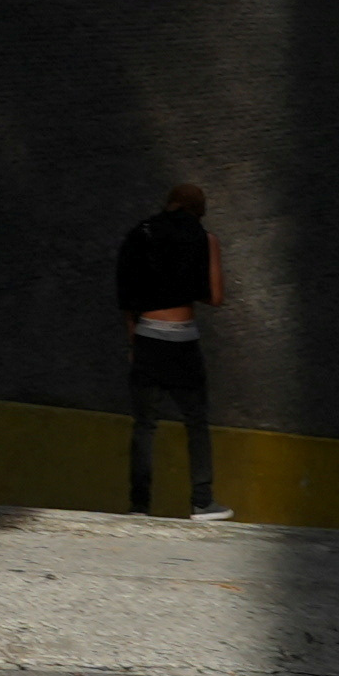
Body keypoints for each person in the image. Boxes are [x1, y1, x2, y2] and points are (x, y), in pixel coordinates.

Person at [114, 181, 226, 519]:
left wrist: (133, 340)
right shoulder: (205, 239)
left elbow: (126, 296)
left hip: (147, 336)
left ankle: (139, 505)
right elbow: (216, 297)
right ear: (198, 210)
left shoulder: (140, 233)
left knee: (145, 425)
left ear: (170, 204)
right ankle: (202, 501)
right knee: (196, 421)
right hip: (183, 341)